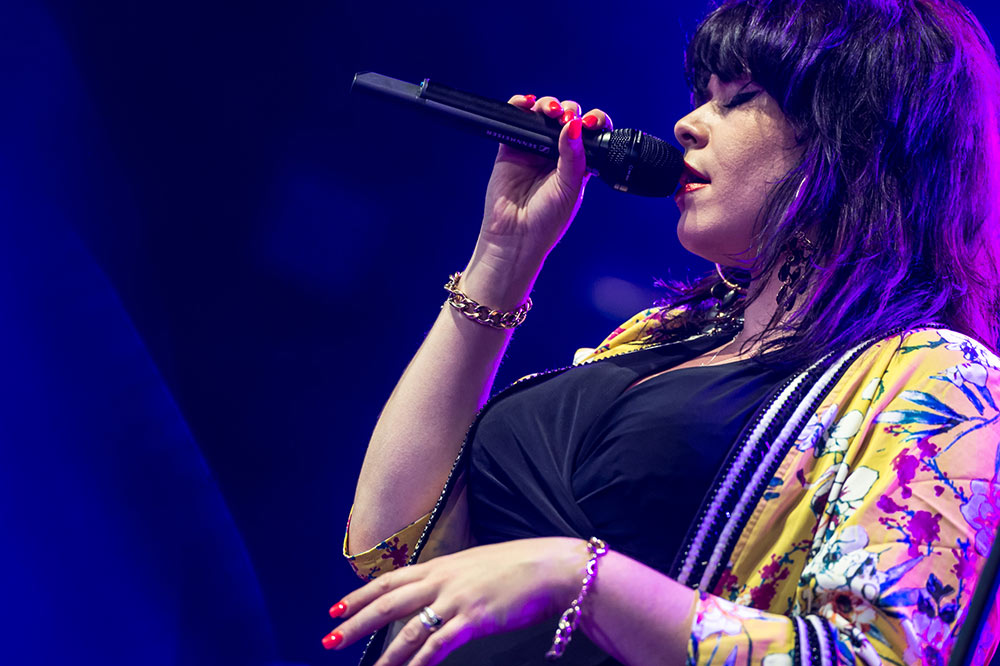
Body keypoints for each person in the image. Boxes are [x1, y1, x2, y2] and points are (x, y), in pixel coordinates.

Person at [325, 0, 1000, 664]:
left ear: (853, 137)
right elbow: (392, 549)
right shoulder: (656, 337)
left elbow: (881, 655)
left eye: (739, 98)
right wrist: (504, 257)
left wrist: (581, 579)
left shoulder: (945, 380)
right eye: (701, 96)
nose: (686, 124)